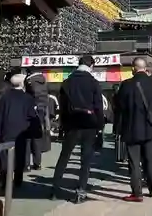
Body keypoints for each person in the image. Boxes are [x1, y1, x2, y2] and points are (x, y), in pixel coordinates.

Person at [51, 55, 104, 204]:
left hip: (71, 124)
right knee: (85, 160)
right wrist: (100, 127)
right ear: (91, 66)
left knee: (64, 157)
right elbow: (98, 107)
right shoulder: (94, 83)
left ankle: (54, 189)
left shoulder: (67, 82)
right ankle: (80, 191)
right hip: (89, 125)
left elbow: (62, 107)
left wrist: (63, 124)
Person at [115, 57, 152, 202]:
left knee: (134, 162)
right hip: (150, 128)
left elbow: (119, 106)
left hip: (132, 129)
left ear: (134, 68)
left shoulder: (126, 85)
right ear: (145, 67)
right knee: (150, 159)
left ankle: (137, 193)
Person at [0, 74, 41, 188]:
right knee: (20, 155)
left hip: (6, 131)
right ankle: (18, 179)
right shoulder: (28, 98)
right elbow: (32, 116)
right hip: (22, 132)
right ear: (22, 84)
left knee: (5, 155)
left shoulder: (4, 97)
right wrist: (34, 131)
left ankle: (4, 179)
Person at [24, 67, 50, 170]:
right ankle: (37, 163)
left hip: (31, 109)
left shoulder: (29, 81)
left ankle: (26, 165)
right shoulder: (43, 81)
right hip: (41, 110)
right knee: (37, 138)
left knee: (27, 138)